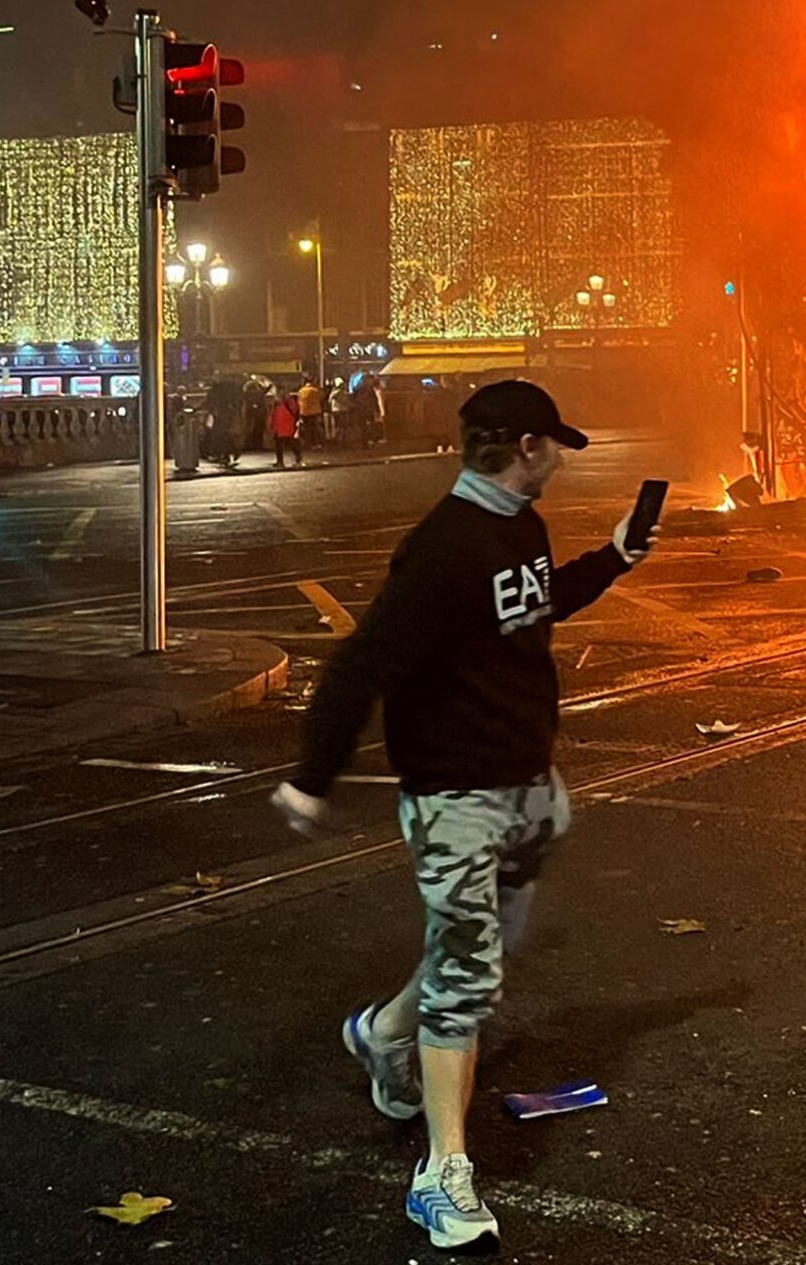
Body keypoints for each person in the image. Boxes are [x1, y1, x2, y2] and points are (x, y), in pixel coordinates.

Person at [273, 380, 654, 1252]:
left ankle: (381, 1032)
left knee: (469, 952)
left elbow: (534, 604)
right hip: (456, 797)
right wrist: (313, 777)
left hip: (526, 789)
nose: (561, 455)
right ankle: (443, 1176)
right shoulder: (441, 550)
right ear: (523, 446)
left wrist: (617, 555)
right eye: (553, 443)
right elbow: (360, 665)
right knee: (470, 976)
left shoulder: (519, 524)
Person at [270, 391, 303, 468]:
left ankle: (282, 461)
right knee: (282, 443)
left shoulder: (285, 403)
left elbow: (273, 414)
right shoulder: (283, 403)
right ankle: (282, 460)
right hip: (282, 425)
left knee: (285, 442)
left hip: (285, 425)